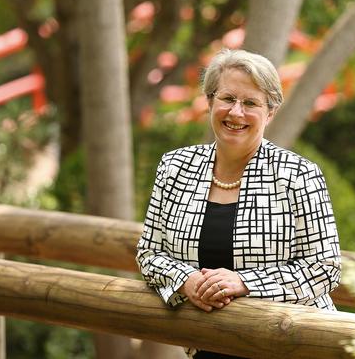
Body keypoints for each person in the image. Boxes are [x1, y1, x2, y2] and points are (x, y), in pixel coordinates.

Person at [136, 48, 341, 358]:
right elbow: (150, 253)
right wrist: (185, 280)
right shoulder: (174, 166)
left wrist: (245, 282)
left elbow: (325, 269)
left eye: (250, 103)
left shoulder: (299, 175)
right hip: (210, 346)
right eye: (228, 99)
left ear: (270, 113)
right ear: (209, 102)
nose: (236, 113)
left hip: (290, 346)